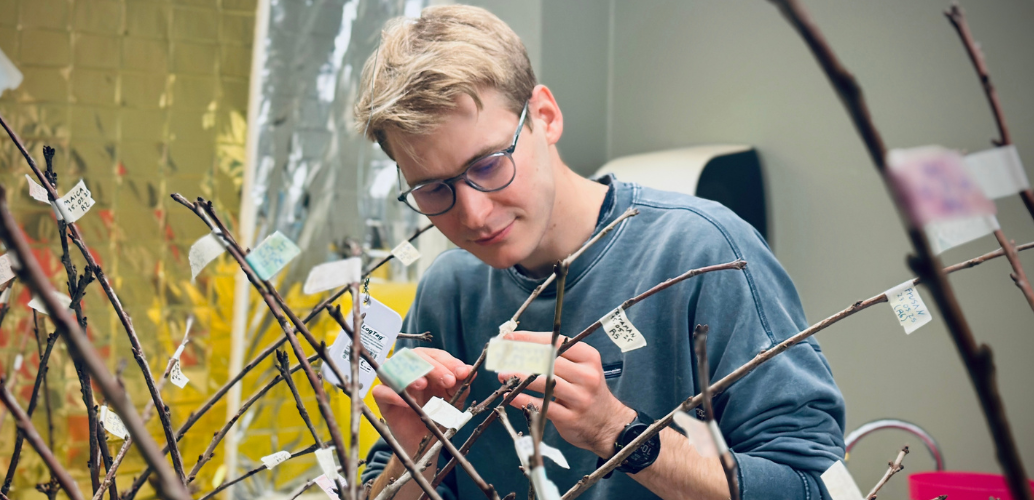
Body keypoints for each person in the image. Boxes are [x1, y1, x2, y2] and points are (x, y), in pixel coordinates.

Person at [355, 5, 846, 500]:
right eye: (433, 190)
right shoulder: (449, 289)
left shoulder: (704, 251)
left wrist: (621, 434)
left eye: (487, 165)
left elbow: (813, 488)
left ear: (544, 116)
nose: (474, 215)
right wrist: (410, 450)